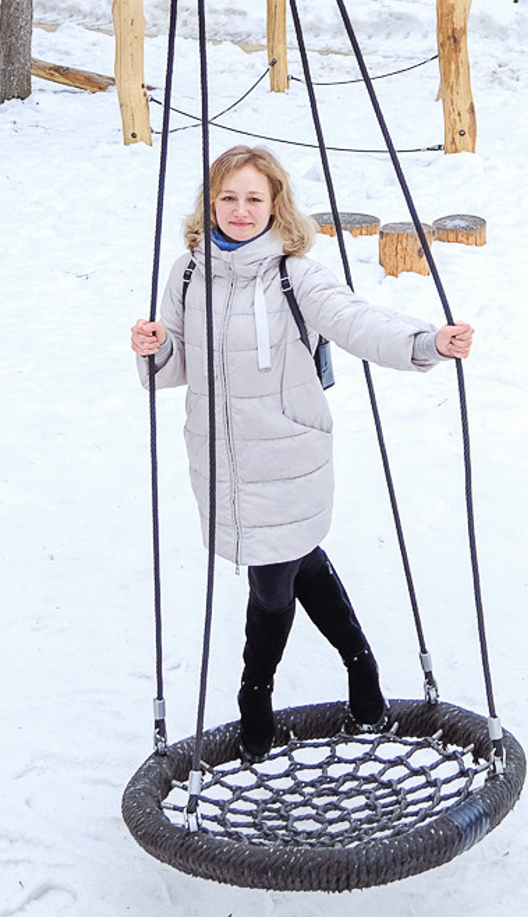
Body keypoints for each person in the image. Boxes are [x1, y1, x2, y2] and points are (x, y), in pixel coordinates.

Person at [131, 143, 474, 762]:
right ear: (211, 202)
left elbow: (356, 322)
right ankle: (363, 670)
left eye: (253, 199)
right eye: (227, 197)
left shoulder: (296, 272)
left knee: (269, 582)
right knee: (295, 558)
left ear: (275, 204)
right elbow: (173, 366)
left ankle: (252, 697)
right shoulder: (188, 272)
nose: (239, 210)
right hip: (219, 456)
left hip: (287, 452)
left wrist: (426, 342)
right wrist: (152, 347)